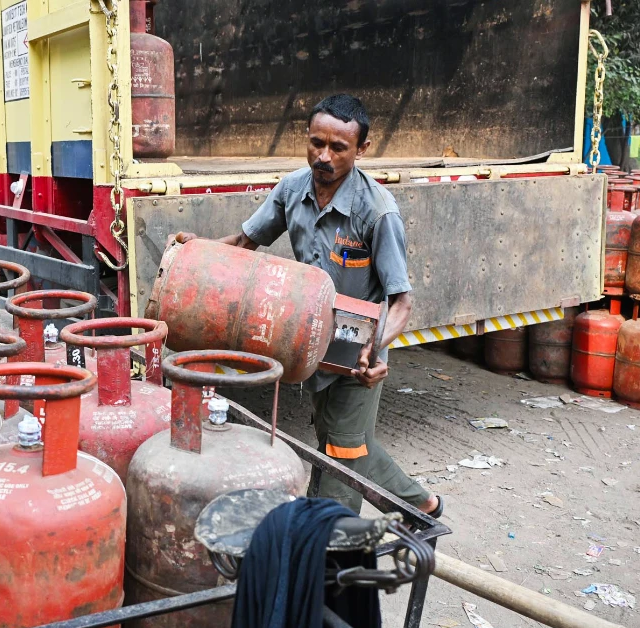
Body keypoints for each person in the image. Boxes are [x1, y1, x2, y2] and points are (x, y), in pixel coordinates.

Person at [172, 94, 440, 518]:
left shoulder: (378, 212)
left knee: (343, 451)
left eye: (339, 148)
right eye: (317, 143)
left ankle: (330, 536)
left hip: (358, 346)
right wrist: (198, 251)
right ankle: (423, 503)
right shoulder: (292, 189)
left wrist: (374, 350)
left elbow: (402, 302)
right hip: (307, 338)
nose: (324, 156)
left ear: (362, 149)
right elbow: (244, 242)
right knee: (337, 437)